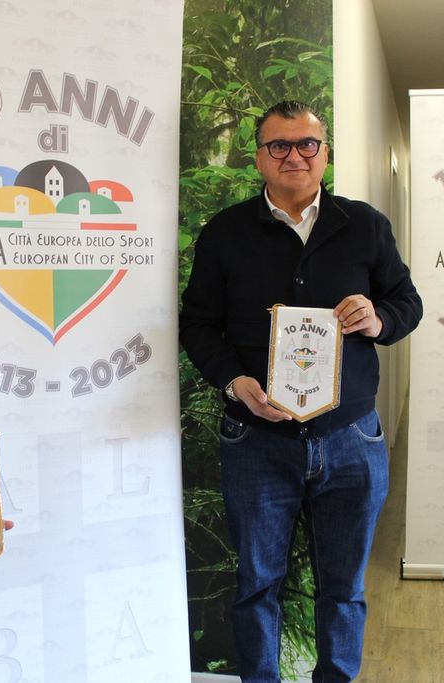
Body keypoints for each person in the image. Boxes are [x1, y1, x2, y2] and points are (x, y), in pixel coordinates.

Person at [179, 100, 422, 682]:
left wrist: (378, 318)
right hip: (257, 440)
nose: (295, 155)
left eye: (307, 144)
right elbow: (198, 324)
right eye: (279, 145)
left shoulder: (364, 225)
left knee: (344, 586)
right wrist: (234, 383)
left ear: (325, 153)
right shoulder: (225, 232)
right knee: (256, 585)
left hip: (350, 437)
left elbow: (407, 304)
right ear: (259, 157)